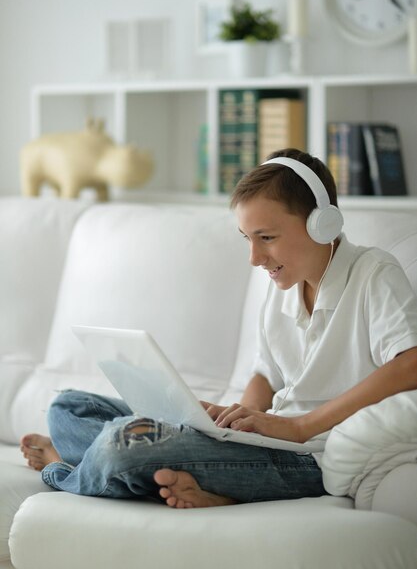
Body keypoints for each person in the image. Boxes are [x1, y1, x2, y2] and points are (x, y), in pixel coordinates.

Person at [21, 148, 417, 509]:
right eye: (247, 239)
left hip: (308, 458)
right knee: (68, 407)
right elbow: (267, 373)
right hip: (263, 443)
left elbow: (409, 362)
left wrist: (298, 427)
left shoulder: (373, 274)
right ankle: (212, 487)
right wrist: (237, 419)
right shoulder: (283, 287)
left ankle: (66, 468)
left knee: (120, 444)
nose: (255, 257)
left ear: (322, 224)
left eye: (266, 238)